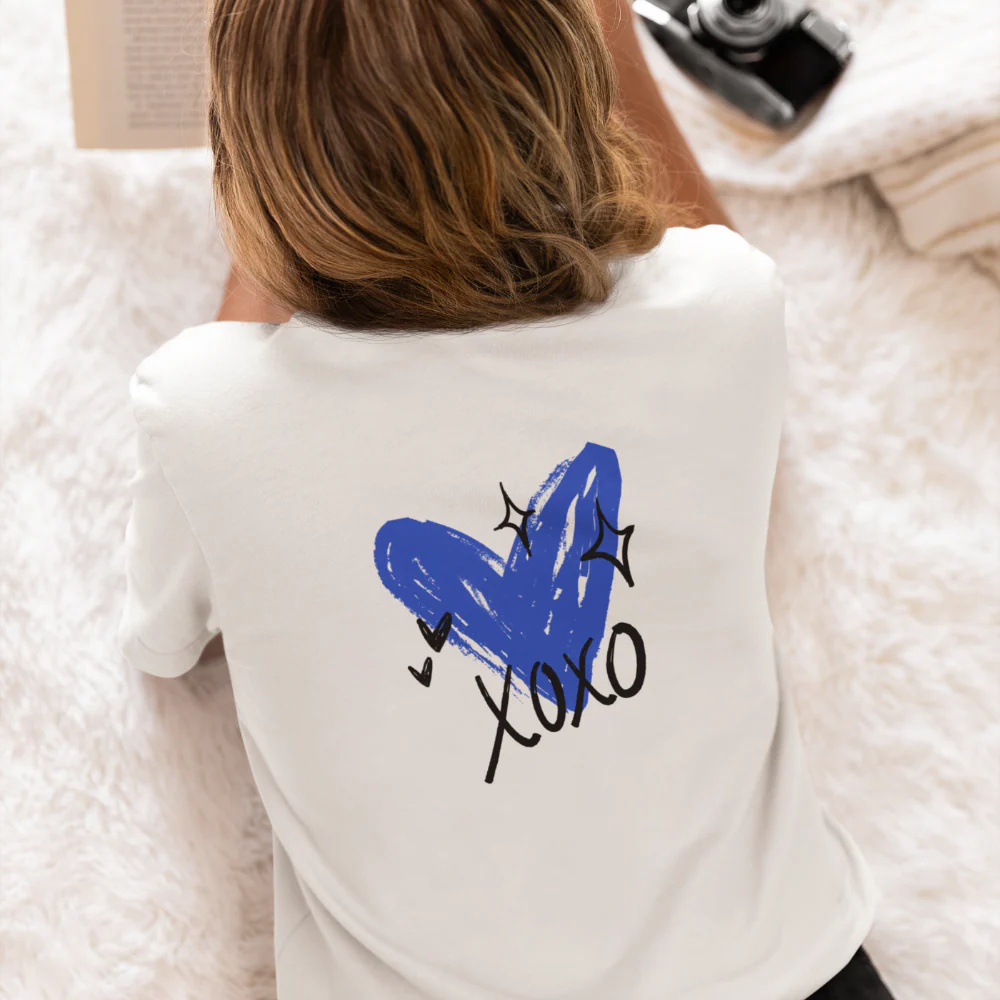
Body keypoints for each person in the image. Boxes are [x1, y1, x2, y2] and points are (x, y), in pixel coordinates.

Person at [117, 2, 894, 997]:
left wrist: (286, 222)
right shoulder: (726, 307)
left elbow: (167, 643)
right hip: (779, 973)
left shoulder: (204, 413)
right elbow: (685, 249)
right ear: (577, 82)